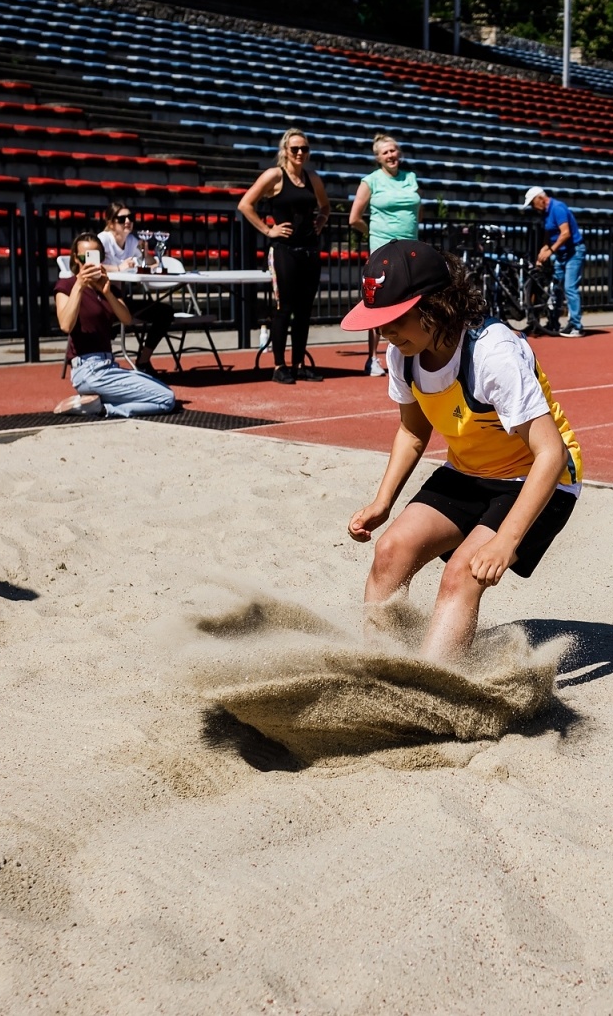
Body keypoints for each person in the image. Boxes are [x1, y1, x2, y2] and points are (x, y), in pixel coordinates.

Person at [342, 240, 583, 662]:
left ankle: (437, 684)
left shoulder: (492, 352)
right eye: (379, 322)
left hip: (538, 477)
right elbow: (413, 431)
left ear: (436, 305)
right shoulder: (403, 355)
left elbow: (552, 453)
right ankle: (380, 669)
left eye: (395, 319)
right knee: (390, 550)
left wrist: (506, 541)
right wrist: (383, 502)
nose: (386, 332)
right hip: (470, 471)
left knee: (461, 574)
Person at [238, 128, 331, 385]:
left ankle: (299, 364)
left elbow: (325, 205)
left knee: (304, 311)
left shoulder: (312, 177)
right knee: (284, 308)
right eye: (295, 149)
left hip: (309, 250)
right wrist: (268, 230)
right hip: (284, 251)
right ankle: (279, 366)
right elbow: (245, 204)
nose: (300, 153)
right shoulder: (274, 175)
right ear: (285, 151)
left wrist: (321, 220)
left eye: (304, 148)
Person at [54, 232, 177, 418]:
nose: (89, 263)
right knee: (166, 398)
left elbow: (126, 319)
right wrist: (79, 285)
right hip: (87, 369)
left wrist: (108, 293)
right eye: (84, 258)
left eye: (95, 257)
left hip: (109, 365)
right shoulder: (67, 285)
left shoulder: (108, 286)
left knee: (161, 390)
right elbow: (65, 325)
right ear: (75, 258)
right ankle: (104, 409)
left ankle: (94, 403)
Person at [348, 133, 421, 377]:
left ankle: (413, 353)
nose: (391, 155)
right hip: (383, 249)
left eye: (393, 150)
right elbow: (354, 218)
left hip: (410, 249)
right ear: (378, 158)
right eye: (385, 152)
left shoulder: (410, 177)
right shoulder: (371, 181)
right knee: (379, 302)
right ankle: (372, 358)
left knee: (413, 300)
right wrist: (374, 233)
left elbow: (417, 211)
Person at [97, 200, 171, 376]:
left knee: (165, 313)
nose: (128, 222)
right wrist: (118, 268)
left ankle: (143, 361)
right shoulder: (103, 240)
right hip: (101, 298)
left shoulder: (131, 240)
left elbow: (151, 263)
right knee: (110, 320)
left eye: (130, 218)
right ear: (111, 223)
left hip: (120, 299)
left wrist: (145, 251)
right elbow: (92, 266)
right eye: (122, 219)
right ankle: (100, 360)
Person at [523, 187, 586, 337]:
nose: (533, 207)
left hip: (573, 252)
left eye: (532, 203)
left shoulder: (557, 208)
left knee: (569, 287)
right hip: (561, 253)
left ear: (540, 199)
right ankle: (553, 322)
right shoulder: (546, 213)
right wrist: (543, 251)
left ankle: (576, 326)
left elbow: (565, 233)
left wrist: (550, 251)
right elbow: (548, 235)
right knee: (556, 288)